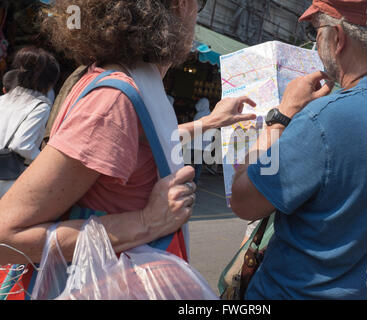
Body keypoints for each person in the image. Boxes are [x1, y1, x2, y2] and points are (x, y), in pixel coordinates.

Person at [0, 0, 255, 299]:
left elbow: (139, 139)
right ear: (179, 6)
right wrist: (146, 222)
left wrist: (211, 122)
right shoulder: (113, 100)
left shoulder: (129, 86)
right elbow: (7, 234)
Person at [231, 0, 367, 299]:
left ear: (338, 38)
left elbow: (244, 202)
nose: (315, 40)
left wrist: (280, 118)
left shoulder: (321, 121)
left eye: (315, 30)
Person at [0, 47, 60, 198]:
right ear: (50, 83)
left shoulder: (3, 99)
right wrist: (46, 160)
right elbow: (22, 145)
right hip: (9, 181)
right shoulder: (40, 106)